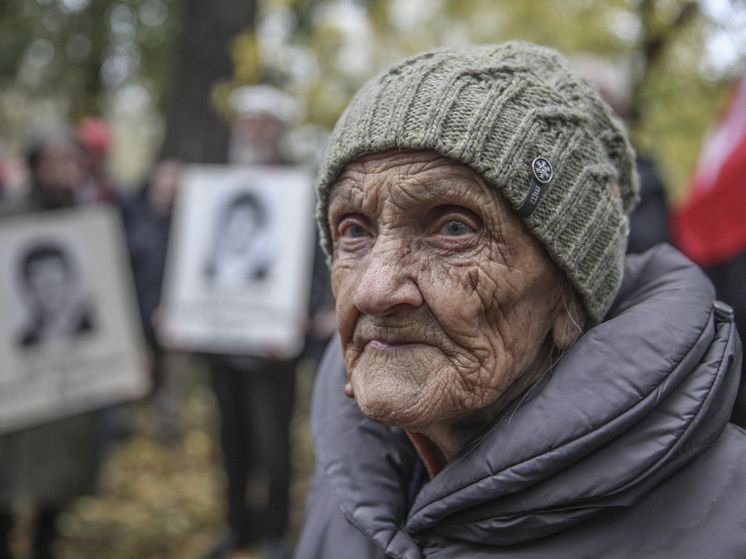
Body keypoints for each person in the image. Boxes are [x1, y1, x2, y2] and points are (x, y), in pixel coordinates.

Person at [294, 42, 746, 558]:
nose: (374, 291)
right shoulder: (349, 474)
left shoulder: (728, 524)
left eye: (454, 227)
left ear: (569, 293)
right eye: (354, 230)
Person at [0, 126, 101, 559]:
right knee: (8, 473)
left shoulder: (86, 219)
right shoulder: (10, 216)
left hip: (67, 378)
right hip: (14, 377)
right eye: (55, 162)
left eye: (70, 161)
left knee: (57, 476)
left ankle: (45, 544)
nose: (65, 171)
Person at [15, 242, 95, 349]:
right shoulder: (27, 340)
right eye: (41, 284)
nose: (49, 290)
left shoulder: (90, 325)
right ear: (30, 289)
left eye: (55, 281)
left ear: (70, 281)